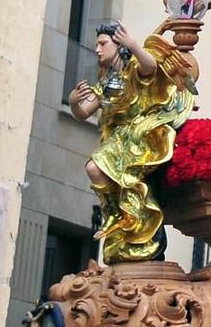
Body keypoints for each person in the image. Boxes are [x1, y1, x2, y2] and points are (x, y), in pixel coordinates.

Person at [70, 21, 197, 262]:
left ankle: (130, 219)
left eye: (103, 44)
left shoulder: (134, 68)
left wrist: (135, 45)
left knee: (99, 168)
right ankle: (115, 214)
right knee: (96, 170)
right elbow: (84, 112)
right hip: (119, 141)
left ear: (119, 46)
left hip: (140, 137)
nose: (97, 49)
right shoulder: (108, 81)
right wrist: (74, 101)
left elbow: (151, 66)